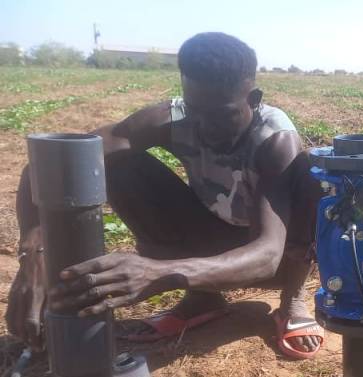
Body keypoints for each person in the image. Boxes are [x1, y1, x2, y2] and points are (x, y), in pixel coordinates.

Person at [6, 32, 324, 359]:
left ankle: (293, 299)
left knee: (313, 179)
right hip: (215, 231)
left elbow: (267, 254)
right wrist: (34, 251)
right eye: (196, 110)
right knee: (118, 165)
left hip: (276, 257)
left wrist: (157, 274)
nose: (205, 127)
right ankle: (203, 298)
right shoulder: (172, 119)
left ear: (253, 98)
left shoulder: (274, 139)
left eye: (222, 115)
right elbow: (49, 163)